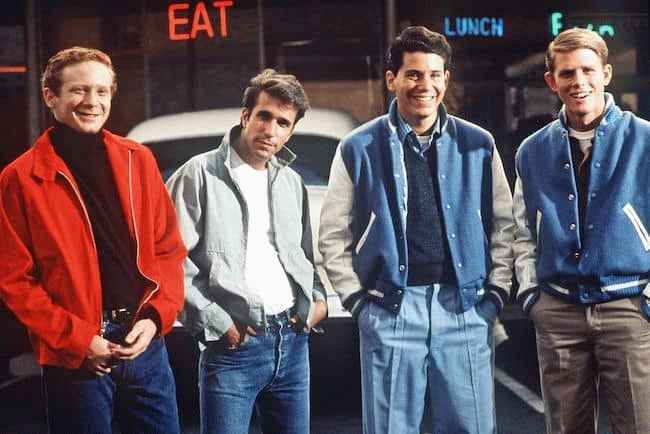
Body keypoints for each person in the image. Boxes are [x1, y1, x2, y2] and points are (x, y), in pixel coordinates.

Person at [319, 26, 514, 434]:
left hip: (464, 308)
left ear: (446, 79)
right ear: (392, 79)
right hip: (391, 310)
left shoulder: (478, 144)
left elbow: (504, 226)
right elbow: (333, 235)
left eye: (434, 74)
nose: (425, 85)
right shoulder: (357, 147)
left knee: (472, 428)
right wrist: (359, 302)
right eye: (413, 74)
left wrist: (495, 294)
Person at [0, 47, 186, 433]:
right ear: (50, 96)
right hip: (76, 357)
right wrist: (79, 340)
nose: (92, 101)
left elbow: (168, 250)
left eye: (102, 91)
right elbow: (15, 280)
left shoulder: (138, 160)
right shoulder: (19, 179)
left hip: (144, 344)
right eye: (79, 90)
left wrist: (155, 319)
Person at [166, 69, 327, 434]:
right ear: (245, 116)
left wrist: (316, 302)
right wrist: (217, 322)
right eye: (264, 116)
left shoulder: (291, 182)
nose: (271, 130)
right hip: (234, 348)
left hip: (293, 340)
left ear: (290, 132)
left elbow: (302, 255)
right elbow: (171, 260)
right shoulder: (198, 174)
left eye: (283, 123)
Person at [513, 28, 650, 434]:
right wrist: (532, 295)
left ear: (606, 73)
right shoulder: (531, 151)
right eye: (567, 72)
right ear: (551, 81)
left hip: (629, 306)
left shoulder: (644, 140)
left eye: (588, 70)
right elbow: (521, 231)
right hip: (559, 310)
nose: (579, 81)